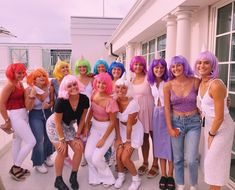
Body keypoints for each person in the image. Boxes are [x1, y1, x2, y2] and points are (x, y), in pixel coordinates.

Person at [195, 51, 235, 190]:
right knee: (212, 166)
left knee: (213, 164)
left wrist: (211, 134)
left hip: (221, 128)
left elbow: (220, 117)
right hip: (210, 127)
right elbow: (204, 106)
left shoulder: (216, 84)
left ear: (213, 65)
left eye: (206, 62)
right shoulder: (200, 82)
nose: (202, 65)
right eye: (199, 62)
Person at [163, 56, 201, 190]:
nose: (176, 68)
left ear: (184, 66)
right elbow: (167, 108)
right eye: (173, 66)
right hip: (176, 122)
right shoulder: (168, 85)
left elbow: (209, 93)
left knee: (191, 159)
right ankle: (180, 184)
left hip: (194, 122)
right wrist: (169, 128)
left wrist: (225, 100)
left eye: (179, 65)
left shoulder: (196, 81)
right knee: (178, 158)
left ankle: (193, 185)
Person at [46, 74, 89, 190]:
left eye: (75, 84)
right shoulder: (61, 101)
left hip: (68, 126)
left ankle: (73, 176)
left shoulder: (84, 99)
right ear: (65, 88)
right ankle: (58, 180)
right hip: (55, 126)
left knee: (79, 148)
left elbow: (82, 119)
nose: (73, 87)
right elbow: (57, 122)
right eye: (69, 86)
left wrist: (77, 136)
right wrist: (61, 140)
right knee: (62, 150)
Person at [0, 63, 36, 181]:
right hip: (15, 116)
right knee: (31, 141)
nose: (22, 75)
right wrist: (7, 120)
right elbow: (1, 103)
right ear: (12, 73)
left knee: (17, 141)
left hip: (23, 114)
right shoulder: (10, 85)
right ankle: (16, 167)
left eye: (23, 72)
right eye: (19, 73)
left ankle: (17, 167)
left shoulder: (19, 83)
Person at [84, 73, 118, 187]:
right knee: (88, 155)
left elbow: (113, 122)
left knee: (97, 158)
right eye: (99, 82)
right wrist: (87, 126)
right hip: (95, 127)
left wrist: (103, 139)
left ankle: (108, 179)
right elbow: (91, 111)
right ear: (95, 83)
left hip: (107, 129)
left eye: (104, 83)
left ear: (108, 84)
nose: (101, 85)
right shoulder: (93, 93)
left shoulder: (111, 101)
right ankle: (96, 177)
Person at [147, 58, 175, 190]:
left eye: (162, 67)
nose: (159, 70)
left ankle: (170, 175)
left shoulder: (169, 81)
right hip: (156, 114)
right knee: (158, 144)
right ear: (152, 69)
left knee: (170, 144)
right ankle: (163, 175)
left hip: (168, 114)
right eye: (156, 67)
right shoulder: (150, 82)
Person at [130, 56, 158, 178]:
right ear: (132, 66)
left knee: (155, 138)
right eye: (135, 64)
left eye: (141, 64)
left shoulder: (149, 78)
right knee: (144, 138)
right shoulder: (131, 80)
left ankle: (156, 164)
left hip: (151, 111)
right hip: (139, 114)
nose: (138, 67)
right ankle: (145, 162)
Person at [114, 77, 143, 190]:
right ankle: (121, 176)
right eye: (118, 87)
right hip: (121, 129)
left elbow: (130, 125)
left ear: (128, 89)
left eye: (123, 88)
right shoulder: (115, 101)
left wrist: (128, 141)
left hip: (133, 131)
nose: (120, 90)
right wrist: (118, 138)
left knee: (125, 157)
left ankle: (136, 179)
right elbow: (116, 121)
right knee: (118, 154)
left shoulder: (133, 104)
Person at [25, 68, 54, 173]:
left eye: (43, 75)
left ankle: (47, 157)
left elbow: (52, 102)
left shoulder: (49, 88)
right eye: (38, 76)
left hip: (47, 113)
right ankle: (38, 162)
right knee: (39, 138)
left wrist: (48, 105)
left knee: (48, 136)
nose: (42, 77)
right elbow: (28, 107)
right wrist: (32, 95)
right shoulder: (29, 89)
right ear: (34, 79)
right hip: (35, 114)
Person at [51, 59, 73, 167]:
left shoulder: (71, 80)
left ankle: (66, 156)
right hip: (58, 110)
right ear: (58, 70)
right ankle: (63, 155)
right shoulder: (54, 81)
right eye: (62, 68)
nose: (65, 69)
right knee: (59, 134)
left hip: (69, 112)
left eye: (66, 67)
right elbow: (51, 97)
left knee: (66, 133)